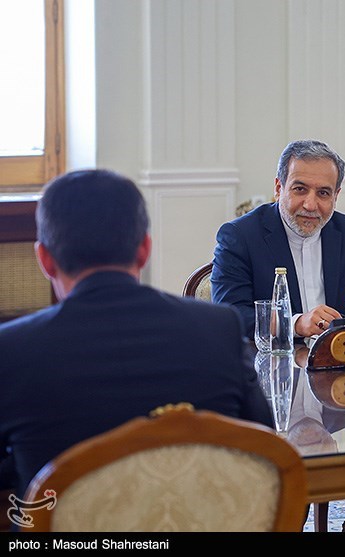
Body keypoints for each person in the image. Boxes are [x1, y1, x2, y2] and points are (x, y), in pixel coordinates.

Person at [0, 169, 273, 500]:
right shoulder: (220, 328)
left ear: (44, 260)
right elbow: (265, 442)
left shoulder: (12, 350)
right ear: (144, 249)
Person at [211, 139, 345, 341]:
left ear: (336, 195)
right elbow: (231, 316)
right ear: (278, 188)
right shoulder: (240, 236)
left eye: (323, 193)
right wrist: (295, 323)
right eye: (300, 189)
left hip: (340, 356)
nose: (310, 205)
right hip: (272, 358)